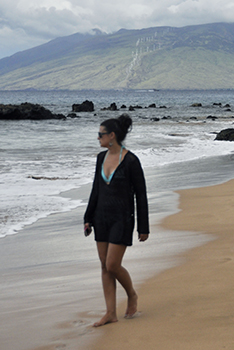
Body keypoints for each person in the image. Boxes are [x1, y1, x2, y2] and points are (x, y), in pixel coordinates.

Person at [84, 114, 149, 327]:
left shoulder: (131, 160)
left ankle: (131, 294)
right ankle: (110, 313)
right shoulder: (100, 158)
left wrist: (143, 226)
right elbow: (96, 189)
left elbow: (141, 195)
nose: (98, 138)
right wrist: (88, 218)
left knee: (112, 264)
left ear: (112, 136)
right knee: (104, 266)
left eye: (100, 134)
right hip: (101, 217)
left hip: (122, 218)